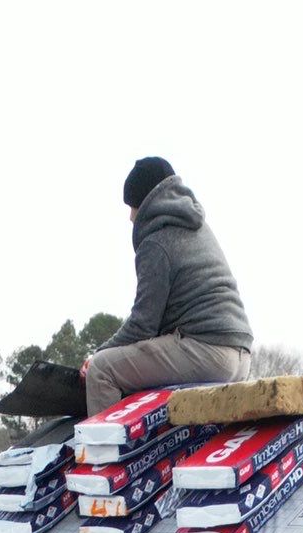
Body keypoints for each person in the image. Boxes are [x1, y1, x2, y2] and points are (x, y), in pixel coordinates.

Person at [81, 159, 253, 415]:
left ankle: (108, 453)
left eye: (132, 207)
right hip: (241, 356)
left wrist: (99, 354)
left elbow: (143, 324)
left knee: (103, 369)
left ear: (146, 202)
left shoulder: (156, 241)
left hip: (207, 351)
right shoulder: (197, 226)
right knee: (139, 361)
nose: (130, 217)